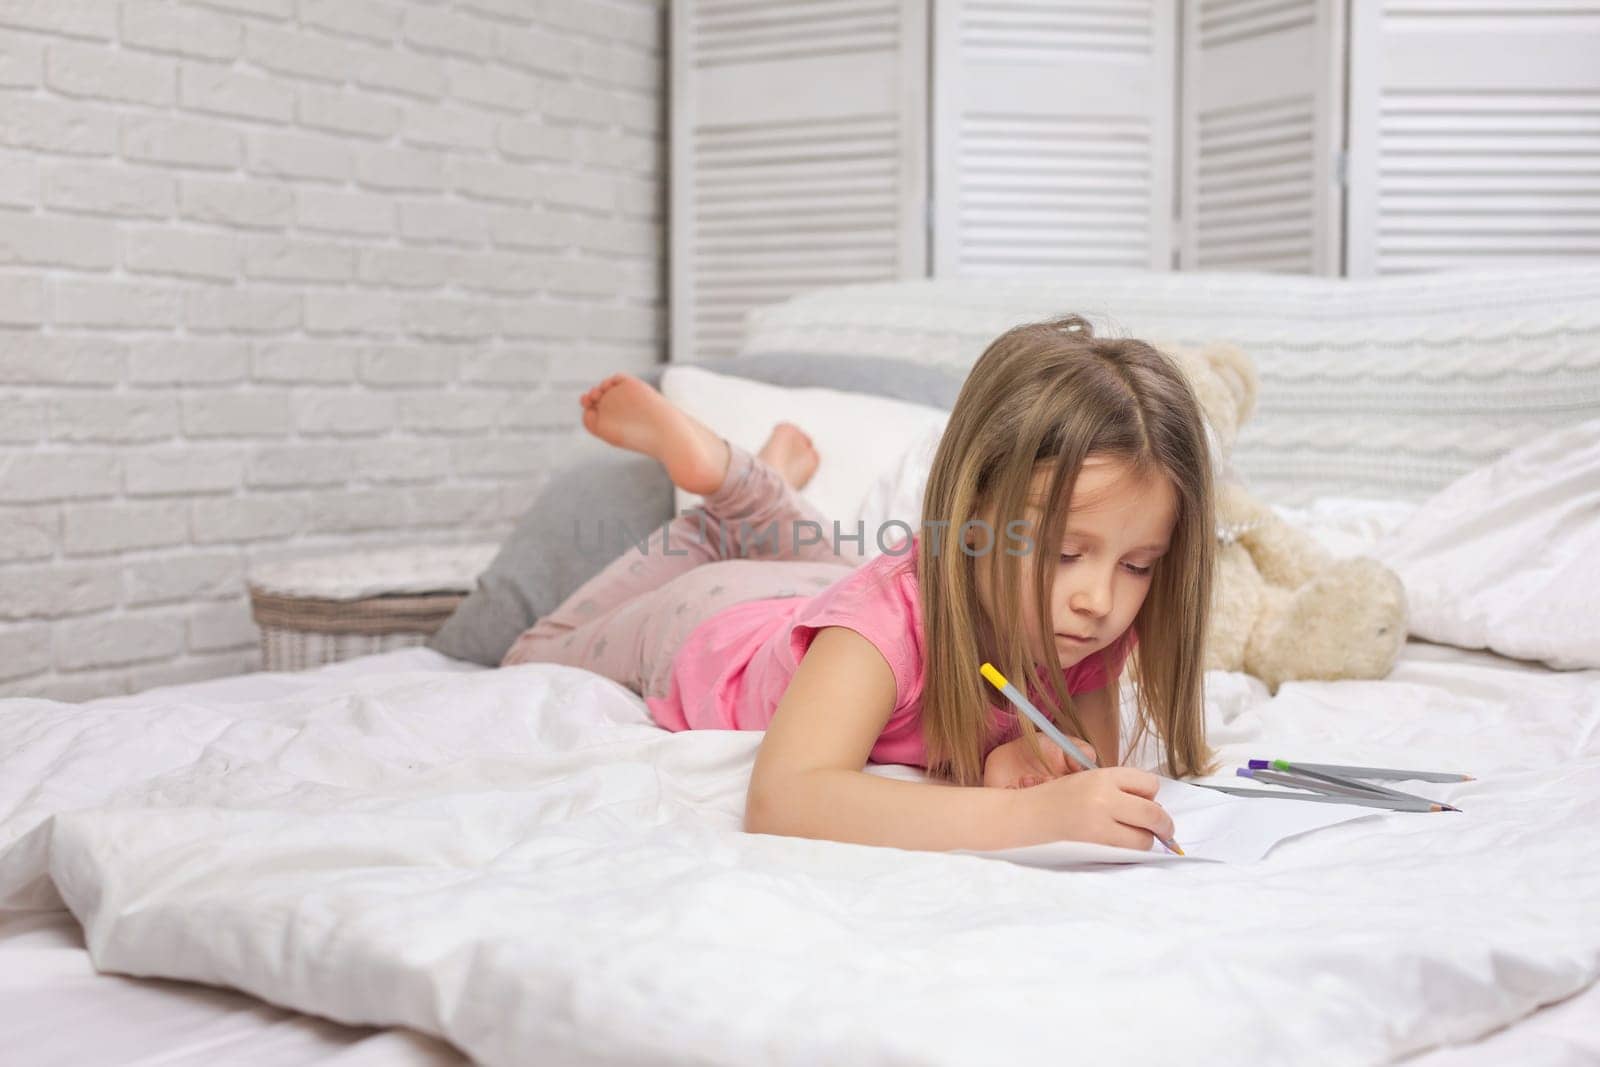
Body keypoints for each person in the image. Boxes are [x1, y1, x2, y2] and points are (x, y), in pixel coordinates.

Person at [501, 313, 1218, 854]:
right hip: (710, 623)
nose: (1100, 598)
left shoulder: (1080, 627)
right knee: (531, 653)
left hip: (825, 588)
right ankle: (723, 505)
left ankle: (765, 481)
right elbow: (785, 799)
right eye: (1065, 552)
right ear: (971, 520)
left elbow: (1080, 765)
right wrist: (1030, 815)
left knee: (838, 570)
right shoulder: (879, 626)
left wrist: (1023, 756)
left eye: (1138, 564)